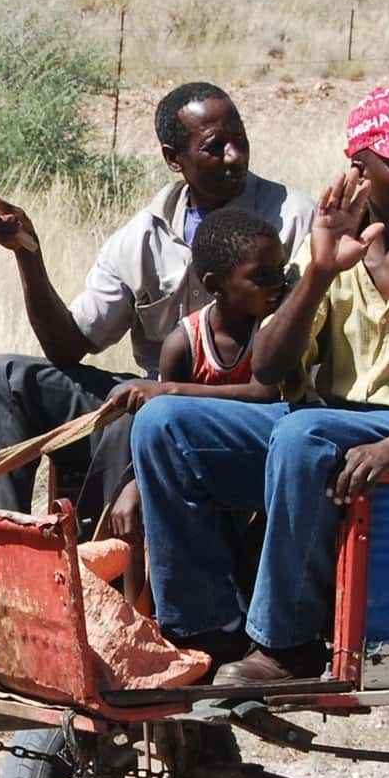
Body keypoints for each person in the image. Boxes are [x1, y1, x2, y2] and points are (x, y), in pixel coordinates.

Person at [129, 86, 389, 688]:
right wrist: (323, 271)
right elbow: (271, 370)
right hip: (328, 432)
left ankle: (288, 646)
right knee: (163, 424)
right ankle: (203, 632)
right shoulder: (336, 246)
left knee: (305, 433)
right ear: (360, 170)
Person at [0, 82, 313, 528]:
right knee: (6, 378)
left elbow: (278, 379)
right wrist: (28, 256)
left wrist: (163, 394)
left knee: (141, 416)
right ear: (173, 158)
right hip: (158, 393)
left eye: (239, 140)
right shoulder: (142, 236)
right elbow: (69, 346)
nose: (234, 157)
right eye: (214, 148)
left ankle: (97, 565)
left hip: (247, 409)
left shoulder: (293, 219)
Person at [107, 209, 288, 592]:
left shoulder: (274, 330)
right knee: (140, 512)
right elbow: (163, 432)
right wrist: (135, 485)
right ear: (216, 285)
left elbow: (264, 393)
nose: (277, 285)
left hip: (259, 464)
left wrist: (171, 392)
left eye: (281, 272)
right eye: (262, 276)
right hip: (204, 470)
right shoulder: (185, 344)